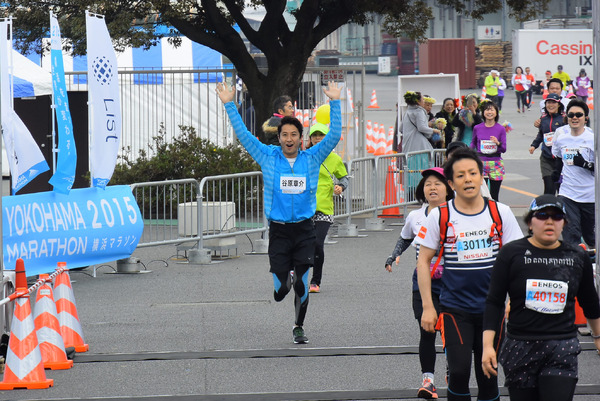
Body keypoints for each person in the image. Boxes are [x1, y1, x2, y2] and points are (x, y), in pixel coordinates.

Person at [216, 80, 342, 344]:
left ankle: (299, 326)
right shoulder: (268, 156)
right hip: (280, 230)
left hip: (305, 228)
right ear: (279, 137)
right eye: (285, 134)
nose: (289, 139)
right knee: (280, 289)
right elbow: (244, 134)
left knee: (302, 284)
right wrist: (229, 104)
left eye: (294, 135)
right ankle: (285, 283)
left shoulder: (312, 157)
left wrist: (335, 102)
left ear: (300, 138)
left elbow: (334, 135)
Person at [416, 147, 523, 401]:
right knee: (459, 372)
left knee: (488, 374)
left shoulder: (500, 212)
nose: (468, 179)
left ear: (481, 177)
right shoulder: (441, 215)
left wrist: (515, 301)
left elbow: (517, 261)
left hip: (492, 310)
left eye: (473, 173)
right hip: (455, 309)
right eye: (461, 175)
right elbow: (423, 261)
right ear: (451, 183)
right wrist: (428, 307)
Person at [482, 194, 600, 401]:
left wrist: (598, 336)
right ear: (530, 222)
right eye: (542, 215)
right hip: (521, 345)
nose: (549, 221)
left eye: (556, 217)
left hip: (561, 345)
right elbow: (494, 301)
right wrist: (487, 346)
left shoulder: (576, 256)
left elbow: (590, 301)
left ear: (564, 223)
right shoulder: (511, 253)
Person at [384, 167, 454, 400]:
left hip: (453, 281)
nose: (432, 187)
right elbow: (405, 238)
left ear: (448, 188)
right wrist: (393, 255)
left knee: (452, 332)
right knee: (427, 330)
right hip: (423, 281)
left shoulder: (457, 214)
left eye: (437, 183)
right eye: (427, 184)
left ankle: (451, 370)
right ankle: (428, 381)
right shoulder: (415, 216)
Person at [307, 122, 349, 294]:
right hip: (303, 208)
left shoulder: (334, 159)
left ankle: (315, 281)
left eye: (321, 135)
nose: (318, 138)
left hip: (324, 208)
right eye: (315, 135)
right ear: (310, 139)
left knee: (317, 244)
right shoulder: (304, 156)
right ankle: (295, 273)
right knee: (300, 244)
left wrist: (341, 187)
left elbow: (344, 178)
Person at [551, 99, 595, 247]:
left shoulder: (593, 139)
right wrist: (556, 172)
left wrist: (585, 164)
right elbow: (558, 157)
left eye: (578, 115)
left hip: (590, 196)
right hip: (568, 193)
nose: (574, 117)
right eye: (571, 115)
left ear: (585, 118)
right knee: (571, 233)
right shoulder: (562, 138)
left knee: (591, 237)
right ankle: (573, 266)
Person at [401, 91, 443, 188]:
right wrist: (434, 130)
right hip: (420, 145)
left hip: (408, 145)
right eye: (422, 99)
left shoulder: (407, 112)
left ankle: (411, 191)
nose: (424, 101)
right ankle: (423, 188)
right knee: (423, 167)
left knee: (411, 169)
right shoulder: (419, 111)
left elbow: (400, 128)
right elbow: (421, 127)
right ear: (418, 101)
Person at [528, 93, 566, 195]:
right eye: (548, 102)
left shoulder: (564, 119)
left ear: (559, 104)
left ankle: (562, 210)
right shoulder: (543, 119)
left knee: (561, 189)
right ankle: (549, 209)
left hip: (560, 159)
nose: (551, 105)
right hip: (546, 158)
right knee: (549, 188)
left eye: (553, 102)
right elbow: (541, 134)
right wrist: (533, 145)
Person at [471, 100, 506, 201]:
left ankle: (495, 214)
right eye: (487, 110)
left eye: (492, 110)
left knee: (494, 195)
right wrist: (468, 152)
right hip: (481, 162)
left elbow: (504, 149)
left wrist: (497, 143)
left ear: (496, 113)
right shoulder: (477, 128)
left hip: (496, 163)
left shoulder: (500, 129)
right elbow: (473, 142)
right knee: (482, 194)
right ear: (483, 113)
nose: (489, 112)